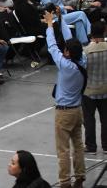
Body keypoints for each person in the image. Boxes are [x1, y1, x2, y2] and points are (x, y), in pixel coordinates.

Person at [45, 10, 87, 188]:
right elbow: (70, 39)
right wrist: (60, 19)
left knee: (63, 149)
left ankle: (64, 182)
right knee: (78, 144)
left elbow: (52, 46)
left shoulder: (65, 65)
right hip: (77, 110)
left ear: (68, 53)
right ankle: (80, 175)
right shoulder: (82, 60)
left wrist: (49, 25)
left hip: (64, 112)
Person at [83, 22, 107, 153]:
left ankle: (91, 146)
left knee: (89, 119)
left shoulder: (85, 51)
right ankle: (106, 145)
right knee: (106, 119)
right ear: (104, 32)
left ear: (91, 33)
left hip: (89, 90)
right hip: (106, 90)